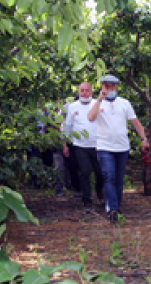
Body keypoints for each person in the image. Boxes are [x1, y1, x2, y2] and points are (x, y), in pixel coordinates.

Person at [88, 74, 149, 224]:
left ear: (116, 87)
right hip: (104, 147)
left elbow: (135, 122)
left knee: (119, 179)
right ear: (102, 87)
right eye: (107, 86)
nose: (110, 89)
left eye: (112, 86)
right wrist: (99, 99)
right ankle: (112, 209)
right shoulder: (96, 103)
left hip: (122, 147)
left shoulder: (124, 103)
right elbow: (90, 117)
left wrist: (144, 138)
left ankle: (116, 206)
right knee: (109, 177)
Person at [63, 83, 104, 213]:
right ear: (78, 92)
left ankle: (99, 192)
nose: (85, 93)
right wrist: (64, 144)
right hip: (80, 146)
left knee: (100, 173)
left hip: (98, 145)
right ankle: (87, 201)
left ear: (92, 92)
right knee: (85, 173)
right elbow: (68, 126)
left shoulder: (98, 104)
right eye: (82, 90)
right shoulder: (72, 107)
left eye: (87, 90)